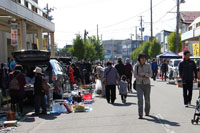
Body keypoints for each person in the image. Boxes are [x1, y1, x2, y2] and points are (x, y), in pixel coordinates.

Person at [134, 53, 152, 119]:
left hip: (147, 84)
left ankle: (147, 112)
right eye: (142, 58)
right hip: (139, 84)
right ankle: (140, 114)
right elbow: (135, 75)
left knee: (147, 99)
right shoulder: (136, 66)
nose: (143, 59)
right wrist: (142, 78)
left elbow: (151, 74)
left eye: (144, 58)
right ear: (139, 59)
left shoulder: (148, 65)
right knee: (140, 99)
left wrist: (144, 74)